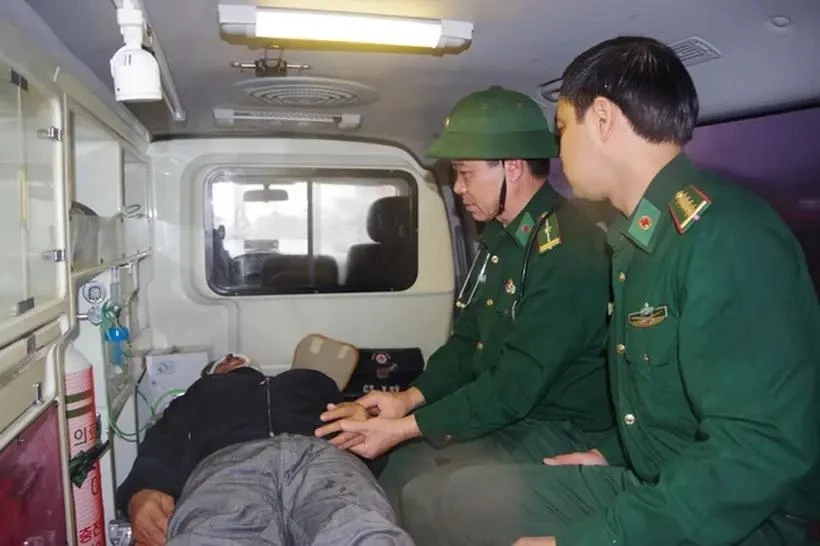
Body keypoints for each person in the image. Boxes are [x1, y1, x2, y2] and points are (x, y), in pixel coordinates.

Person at [419, 36, 820, 546]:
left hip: (744, 519)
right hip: (657, 480)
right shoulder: (639, 240)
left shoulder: (725, 236)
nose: (557, 150)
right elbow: (669, 406)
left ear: (603, 120)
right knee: (455, 500)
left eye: (562, 129)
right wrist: (610, 452)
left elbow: (758, 450)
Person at [316, 85, 614, 528]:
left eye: (466, 173)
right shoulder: (502, 237)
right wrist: (407, 400)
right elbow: (467, 342)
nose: (458, 188)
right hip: (512, 412)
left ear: (512, 167)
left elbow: (515, 386)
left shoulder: (568, 251)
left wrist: (405, 428)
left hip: (559, 423)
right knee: (395, 468)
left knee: (430, 494)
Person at [117, 354, 413, 546]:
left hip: (324, 455)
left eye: (239, 357)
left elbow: (365, 431)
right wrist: (141, 491)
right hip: (228, 465)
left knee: (362, 531)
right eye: (224, 362)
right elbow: (164, 436)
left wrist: (365, 420)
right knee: (212, 535)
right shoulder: (202, 392)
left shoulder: (309, 379)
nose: (233, 359)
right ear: (214, 373)